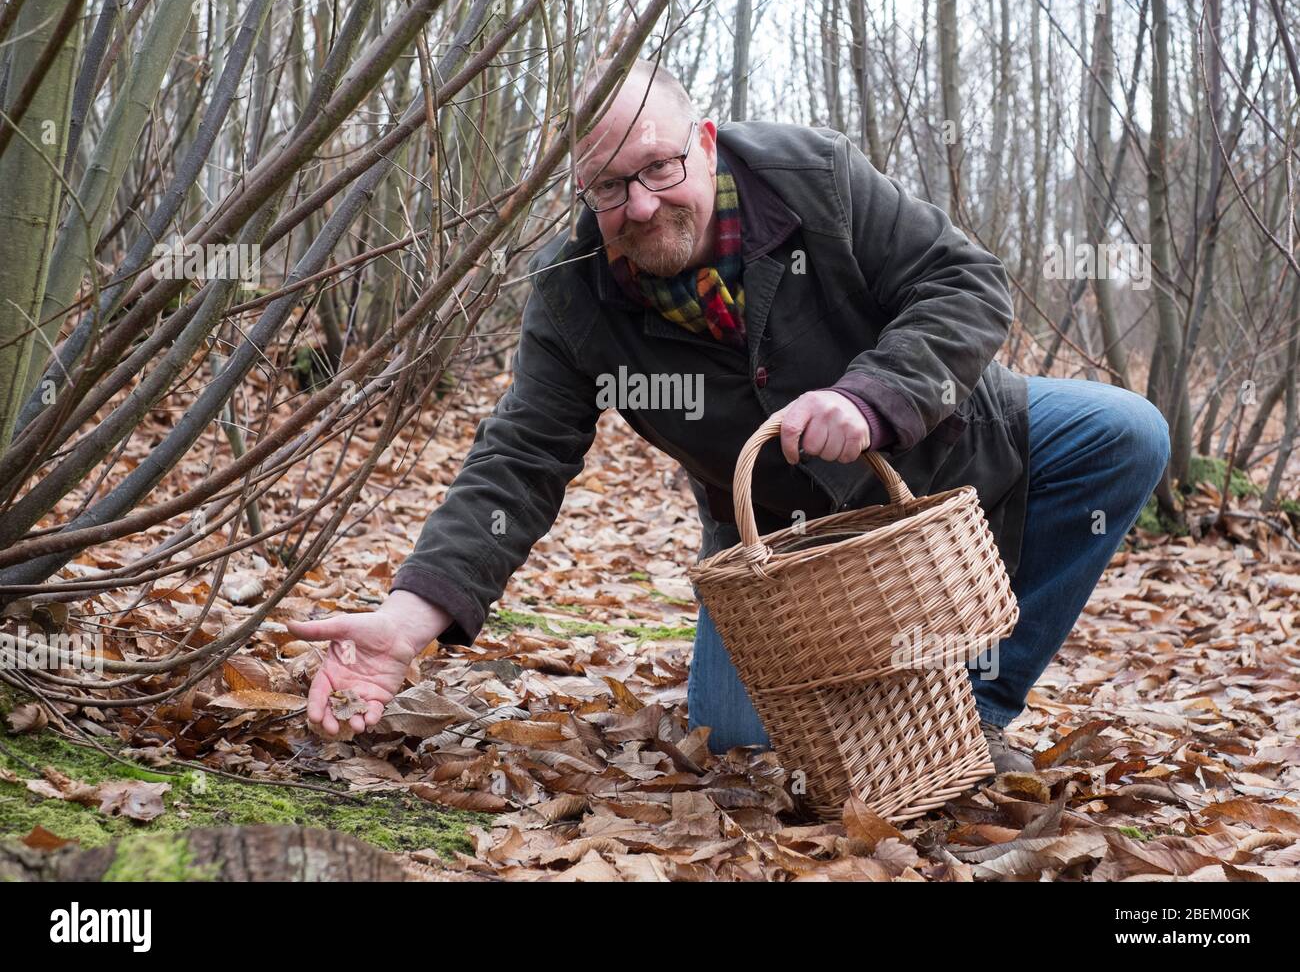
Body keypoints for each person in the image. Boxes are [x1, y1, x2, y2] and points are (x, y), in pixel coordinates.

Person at [287, 58, 1170, 773]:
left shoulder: (811, 176)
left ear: (704, 144)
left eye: (660, 168)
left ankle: (974, 709)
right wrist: (414, 614)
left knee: (1127, 434)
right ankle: (868, 691)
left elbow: (966, 281)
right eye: (606, 187)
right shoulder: (571, 295)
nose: (639, 206)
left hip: (939, 452)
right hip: (769, 537)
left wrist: (872, 396)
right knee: (749, 749)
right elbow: (521, 454)